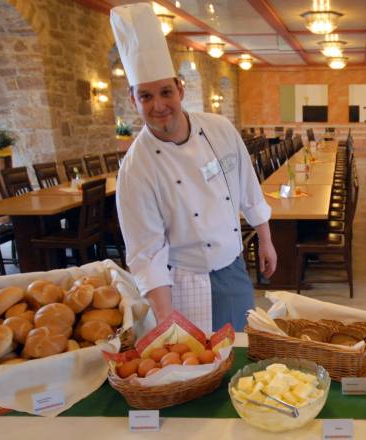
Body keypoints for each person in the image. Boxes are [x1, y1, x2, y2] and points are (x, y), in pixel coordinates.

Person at [111, 3, 276, 331]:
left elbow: (247, 185)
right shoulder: (136, 168)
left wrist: (265, 237)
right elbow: (146, 251)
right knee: (192, 365)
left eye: (165, 92)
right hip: (179, 281)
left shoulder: (219, 129)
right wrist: (163, 316)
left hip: (232, 267)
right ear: (133, 101)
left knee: (241, 348)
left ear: (180, 88)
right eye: (145, 96)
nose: (158, 105)